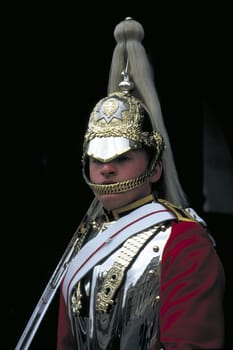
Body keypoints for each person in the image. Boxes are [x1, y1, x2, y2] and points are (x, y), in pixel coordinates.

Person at [57, 17, 225, 350]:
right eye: (97, 158)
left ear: (155, 168)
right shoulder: (85, 239)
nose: (106, 170)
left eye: (121, 158)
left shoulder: (184, 241)